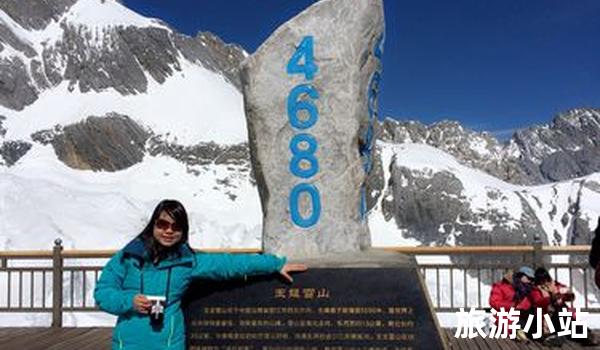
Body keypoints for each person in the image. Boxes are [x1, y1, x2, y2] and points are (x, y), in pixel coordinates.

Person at [94, 199, 307, 350]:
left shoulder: (188, 261)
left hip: (169, 343)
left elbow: (229, 264)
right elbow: (103, 293)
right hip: (127, 343)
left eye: (176, 226)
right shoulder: (127, 257)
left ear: (183, 231)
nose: (169, 231)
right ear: (153, 226)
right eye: (163, 224)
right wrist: (128, 301)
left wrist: (274, 264)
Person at [489, 266, 536, 340]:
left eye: (532, 279)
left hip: (524, 317)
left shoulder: (529, 289)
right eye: (528, 278)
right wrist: (513, 306)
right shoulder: (499, 287)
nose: (529, 281)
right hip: (507, 317)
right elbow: (494, 303)